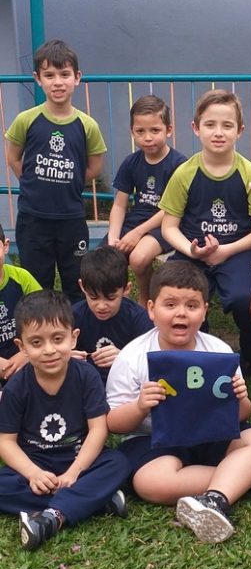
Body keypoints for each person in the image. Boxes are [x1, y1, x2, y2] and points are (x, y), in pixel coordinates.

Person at [106, 260, 251, 544]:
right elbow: (113, 423)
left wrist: (240, 398)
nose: (181, 313)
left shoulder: (218, 350)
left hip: (209, 434)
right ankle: (246, 476)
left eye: (192, 305)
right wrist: (139, 406)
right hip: (153, 442)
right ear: (151, 309)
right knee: (151, 483)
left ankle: (215, 498)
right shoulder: (131, 357)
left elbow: (242, 415)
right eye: (170, 304)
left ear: (205, 311)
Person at [0, 290, 130, 550]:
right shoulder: (17, 387)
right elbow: (6, 441)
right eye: (36, 342)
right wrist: (34, 474)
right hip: (35, 462)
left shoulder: (87, 376)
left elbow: (98, 429)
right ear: (22, 347)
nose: (49, 350)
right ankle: (94, 500)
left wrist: (74, 472)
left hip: (78, 458)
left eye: (57, 339)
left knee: (119, 463)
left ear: (73, 338)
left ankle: (51, 516)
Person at [159, 89, 251, 377]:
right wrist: (191, 250)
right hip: (192, 252)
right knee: (180, 293)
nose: (218, 132)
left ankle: (250, 358)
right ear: (196, 128)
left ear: (240, 131)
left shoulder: (250, 174)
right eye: (210, 124)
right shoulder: (184, 173)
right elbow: (169, 226)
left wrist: (226, 251)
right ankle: (194, 352)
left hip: (238, 251)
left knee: (246, 298)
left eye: (227, 125)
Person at [4, 39, 106, 304]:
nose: (57, 82)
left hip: (71, 219)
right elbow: (13, 157)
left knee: (77, 284)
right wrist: (33, 181)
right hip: (33, 219)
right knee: (38, 287)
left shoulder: (87, 125)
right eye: (49, 75)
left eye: (64, 74)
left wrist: (68, 181)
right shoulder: (26, 120)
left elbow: (94, 167)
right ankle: (42, 329)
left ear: (77, 78)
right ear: (38, 79)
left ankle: (75, 327)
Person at [106, 95, 187, 306]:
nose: (148, 137)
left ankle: (146, 299)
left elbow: (171, 210)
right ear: (132, 132)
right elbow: (120, 204)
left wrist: (137, 233)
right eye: (140, 131)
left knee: (138, 258)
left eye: (155, 130)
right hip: (137, 219)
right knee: (105, 260)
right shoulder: (131, 162)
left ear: (169, 130)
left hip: (167, 223)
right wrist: (113, 238)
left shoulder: (179, 165)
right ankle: (113, 306)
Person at [72, 246, 153, 384]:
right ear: (82, 286)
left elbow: (153, 363)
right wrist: (65, 358)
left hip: (126, 386)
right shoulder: (73, 316)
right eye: (93, 297)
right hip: (85, 385)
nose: (101, 306)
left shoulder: (139, 319)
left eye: (110, 298)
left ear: (126, 289)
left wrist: (124, 358)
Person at [0, 223, 42, 383]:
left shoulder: (21, 278)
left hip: (26, 356)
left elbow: (47, 318)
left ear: (5, 246)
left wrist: (26, 354)